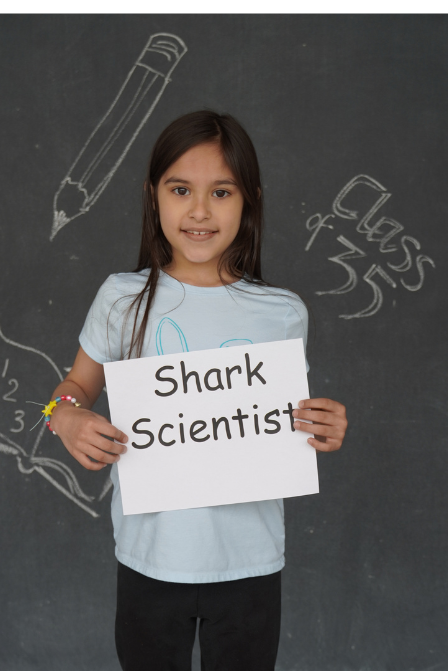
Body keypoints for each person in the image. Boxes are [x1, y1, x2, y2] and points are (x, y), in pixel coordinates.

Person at [40, 110, 349, 669]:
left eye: (222, 192)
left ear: (249, 199)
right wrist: (63, 417)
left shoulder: (282, 313)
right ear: (152, 195)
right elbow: (75, 388)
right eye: (180, 189)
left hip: (251, 562)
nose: (200, 211)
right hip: (149, 560)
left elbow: (282, 422)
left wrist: (322, 426)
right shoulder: (121, 298)